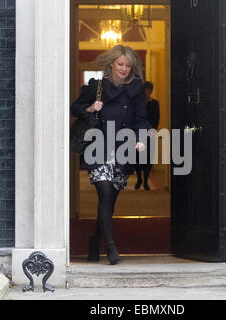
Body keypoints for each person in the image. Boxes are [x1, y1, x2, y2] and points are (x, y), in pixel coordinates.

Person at [70, 45, 149, 265]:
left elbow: (142, 118)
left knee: (109, 201)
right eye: (120, 64)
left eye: (128, 65)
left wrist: (141, 138)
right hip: (99, 145)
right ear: (112, 64)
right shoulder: (97, 86)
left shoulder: (136, 88)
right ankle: (111, 248)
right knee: (104, 193)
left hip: (123, 149)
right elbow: (75, 107)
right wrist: (91, 108)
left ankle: (95, 240)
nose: (124, 69)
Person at [135, 81, 160, 190]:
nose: (146, 92)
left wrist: (152, 127)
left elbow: (156, 118)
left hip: (150, 134)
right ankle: (139, 178)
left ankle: (145, 181)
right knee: (137, 158)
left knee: (148, 159)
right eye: (145, 90)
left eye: (148, 90)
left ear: (151, 91)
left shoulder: (154, 103)